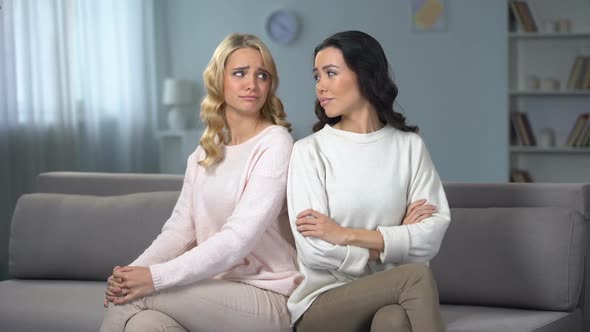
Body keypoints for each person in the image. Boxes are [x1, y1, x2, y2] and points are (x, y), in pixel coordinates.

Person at [100, 33, 300, 332]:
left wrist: (152, 278)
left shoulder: (276, 144)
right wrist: (131, 273)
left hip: (268, 297)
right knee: (144, 324)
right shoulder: (205, 153)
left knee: (128, 301)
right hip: (213, 292)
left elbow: (236, 241)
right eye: (239, 73)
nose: (252, 84)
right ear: (219, 80)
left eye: (262, 75)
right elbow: (179, 231)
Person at [286, 30, 450, 332]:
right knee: (415, 276)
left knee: (394, 320)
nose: (320, 86)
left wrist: (346, 235)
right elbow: (314, 250)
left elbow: (431, 236)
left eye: (331, 73)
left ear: (364, 75)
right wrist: (398, 238)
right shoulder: (309, 152)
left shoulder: (409, 146)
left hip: (390, 298)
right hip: (325, 304)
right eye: (317, 76)